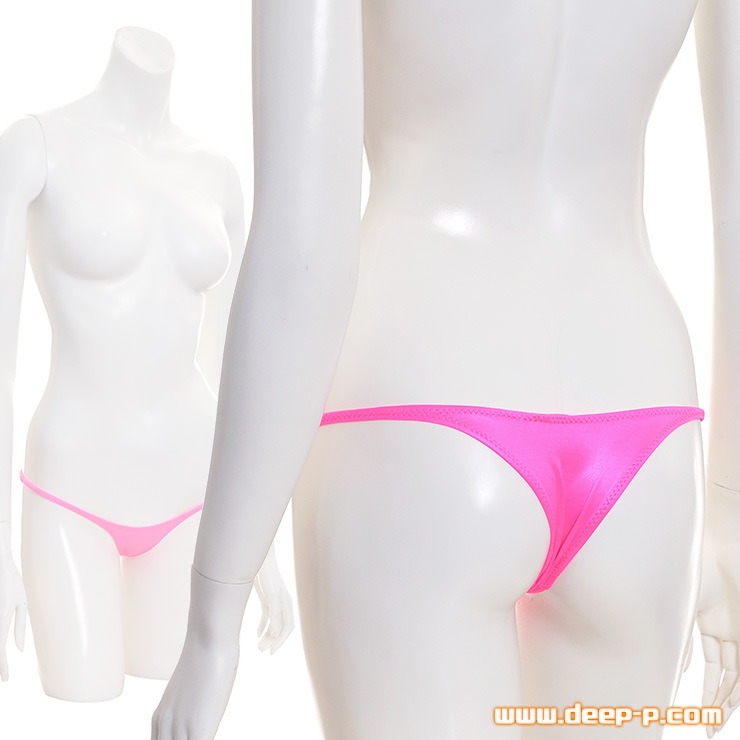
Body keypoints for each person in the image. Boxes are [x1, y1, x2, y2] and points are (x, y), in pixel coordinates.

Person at [154, 1, 740, 738]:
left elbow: (303, 257)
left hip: (420, 407)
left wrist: (215, 612)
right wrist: (728, 512)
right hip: (647, 429)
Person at [0, 26, 292, 701]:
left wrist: (261, 543)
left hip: (192, 494)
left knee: (176, 714)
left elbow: (234, 370)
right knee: (82, 708)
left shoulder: (217, 175)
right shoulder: (35, 146)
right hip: (72, 489)